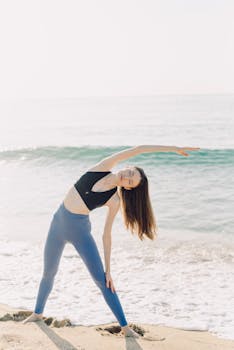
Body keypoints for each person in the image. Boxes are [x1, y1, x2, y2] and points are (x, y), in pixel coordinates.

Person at [22, 144, 200, 337]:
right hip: (57, 224)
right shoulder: (103, 166)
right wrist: (174, 149)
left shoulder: (114, 200)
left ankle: (125, 327)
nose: (127, 177)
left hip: (80, 233)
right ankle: (37, 314)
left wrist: (109, 270)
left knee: (102, 281)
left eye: (131, 181)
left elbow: (107, 235)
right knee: (48, 272)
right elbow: (138, 149)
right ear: (127, 166)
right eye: (130, 172)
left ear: (128, 188)